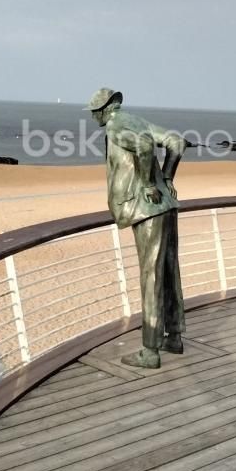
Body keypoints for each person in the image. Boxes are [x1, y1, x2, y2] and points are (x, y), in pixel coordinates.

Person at [85, 88, 186, 369]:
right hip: (165, 205)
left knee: (150, 276)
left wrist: (150, 184)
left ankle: (150, 351)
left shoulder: (116, 126)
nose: (93, 117)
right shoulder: (137, 120)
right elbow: (177, 142)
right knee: (167, 269)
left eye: (94, 112)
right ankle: (173, 336)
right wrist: (166, 176)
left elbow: (142, 147)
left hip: (145, 208)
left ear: (103, 110)